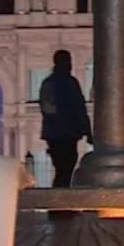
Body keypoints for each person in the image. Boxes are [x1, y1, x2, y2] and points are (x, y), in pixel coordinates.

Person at [39, 50, 92, 187]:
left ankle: (58, 201)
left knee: (61, 169)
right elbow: (79, 107)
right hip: (68, 132)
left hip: (55, 134)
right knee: (66, 168)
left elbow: (46, 108)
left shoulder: (48, 83)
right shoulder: (70, 83)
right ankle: (60, 201)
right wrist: (86, 130)